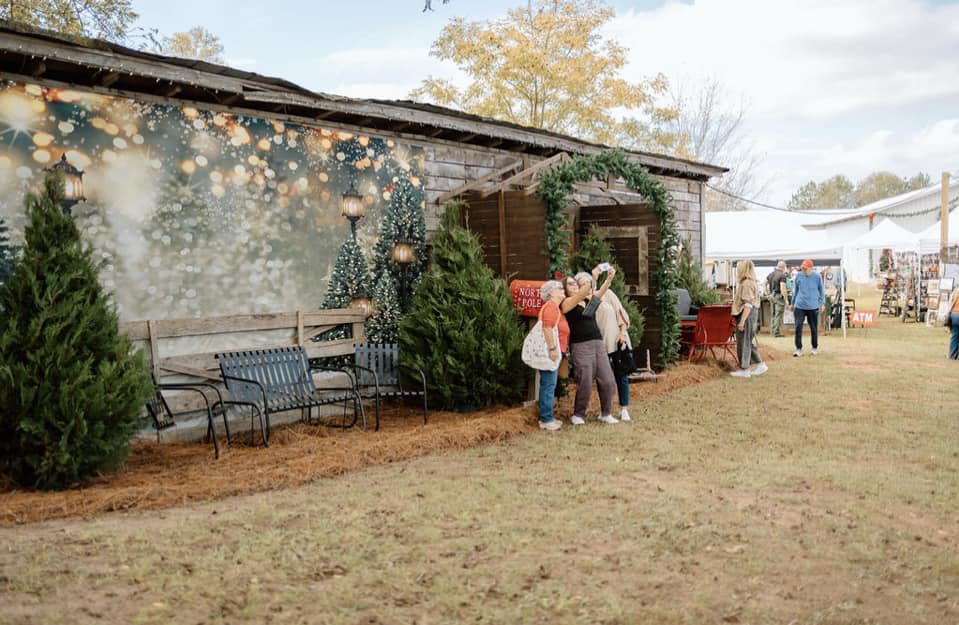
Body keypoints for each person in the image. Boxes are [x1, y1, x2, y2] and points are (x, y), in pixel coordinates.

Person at [561, 267, 618, 425]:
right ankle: (578, 415)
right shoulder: (566, 303)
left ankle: (606, 413)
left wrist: (608, 279)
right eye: (571, 284)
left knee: (607, 379)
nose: (574, 285)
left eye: (575, 283)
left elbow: (599, 294)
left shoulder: (586, 301)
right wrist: (592, 279)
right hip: (580, 346)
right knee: (585, 381)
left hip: (598, 343)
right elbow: (582, 292)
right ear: (565, 289)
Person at [535, 280, 569, 430]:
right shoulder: (550, 307)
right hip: (551, 352)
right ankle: (546, 419)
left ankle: (548, 417)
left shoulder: (555, 307)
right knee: (548, 384)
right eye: (559, 288)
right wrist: (553, 349)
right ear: (550, 293)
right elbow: (547, 328)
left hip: (556, 351)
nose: (562, 290)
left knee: (549, 384)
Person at [596, 285, 633, 422]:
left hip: (616, 341)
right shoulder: (585, 300)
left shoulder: (608, 293)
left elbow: (620, 312)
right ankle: (605, 410)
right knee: (604, 380)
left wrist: (623, 332)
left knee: (621, 376)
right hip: (599, 344)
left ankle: (624, 409)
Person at [730, 259, 767, 378]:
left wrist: (742, 321)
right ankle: (760, 364)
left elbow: (748, 304)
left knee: (743, 342)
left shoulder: (746, 283)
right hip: (750, 315)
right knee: (747, 342)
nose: (737, 271)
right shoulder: (751, 282)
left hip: (747, 315)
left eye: (739, 269)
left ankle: (744, 369)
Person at [790, 259, 825, 357]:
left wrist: (823, 303)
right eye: (803, 268)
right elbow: (795, 291)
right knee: (798, 327)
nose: (804, 270)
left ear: (811, 268)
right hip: (799, 306)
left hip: (813, 307)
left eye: (806, 269)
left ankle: (814, 347)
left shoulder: (817, 277)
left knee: (814, 328)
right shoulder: (799, 276)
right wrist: (792, 304)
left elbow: (821, 290)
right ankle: (798, 349)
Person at [765, 260, 789, 337]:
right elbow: (783, 288)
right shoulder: (782, 275)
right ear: (783, 267)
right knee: (778, 315)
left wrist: (767, 294)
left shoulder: (771, 274)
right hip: (778, 296)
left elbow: (764, 283)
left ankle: (772, 332)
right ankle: (776, 333)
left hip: (772, 296)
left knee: (773, 314)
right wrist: (786, 300)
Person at [949, 288, 959, 360]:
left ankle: (952, 355)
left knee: (954, 336)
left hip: (954, 314)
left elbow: (950, 303)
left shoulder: (956, 290)